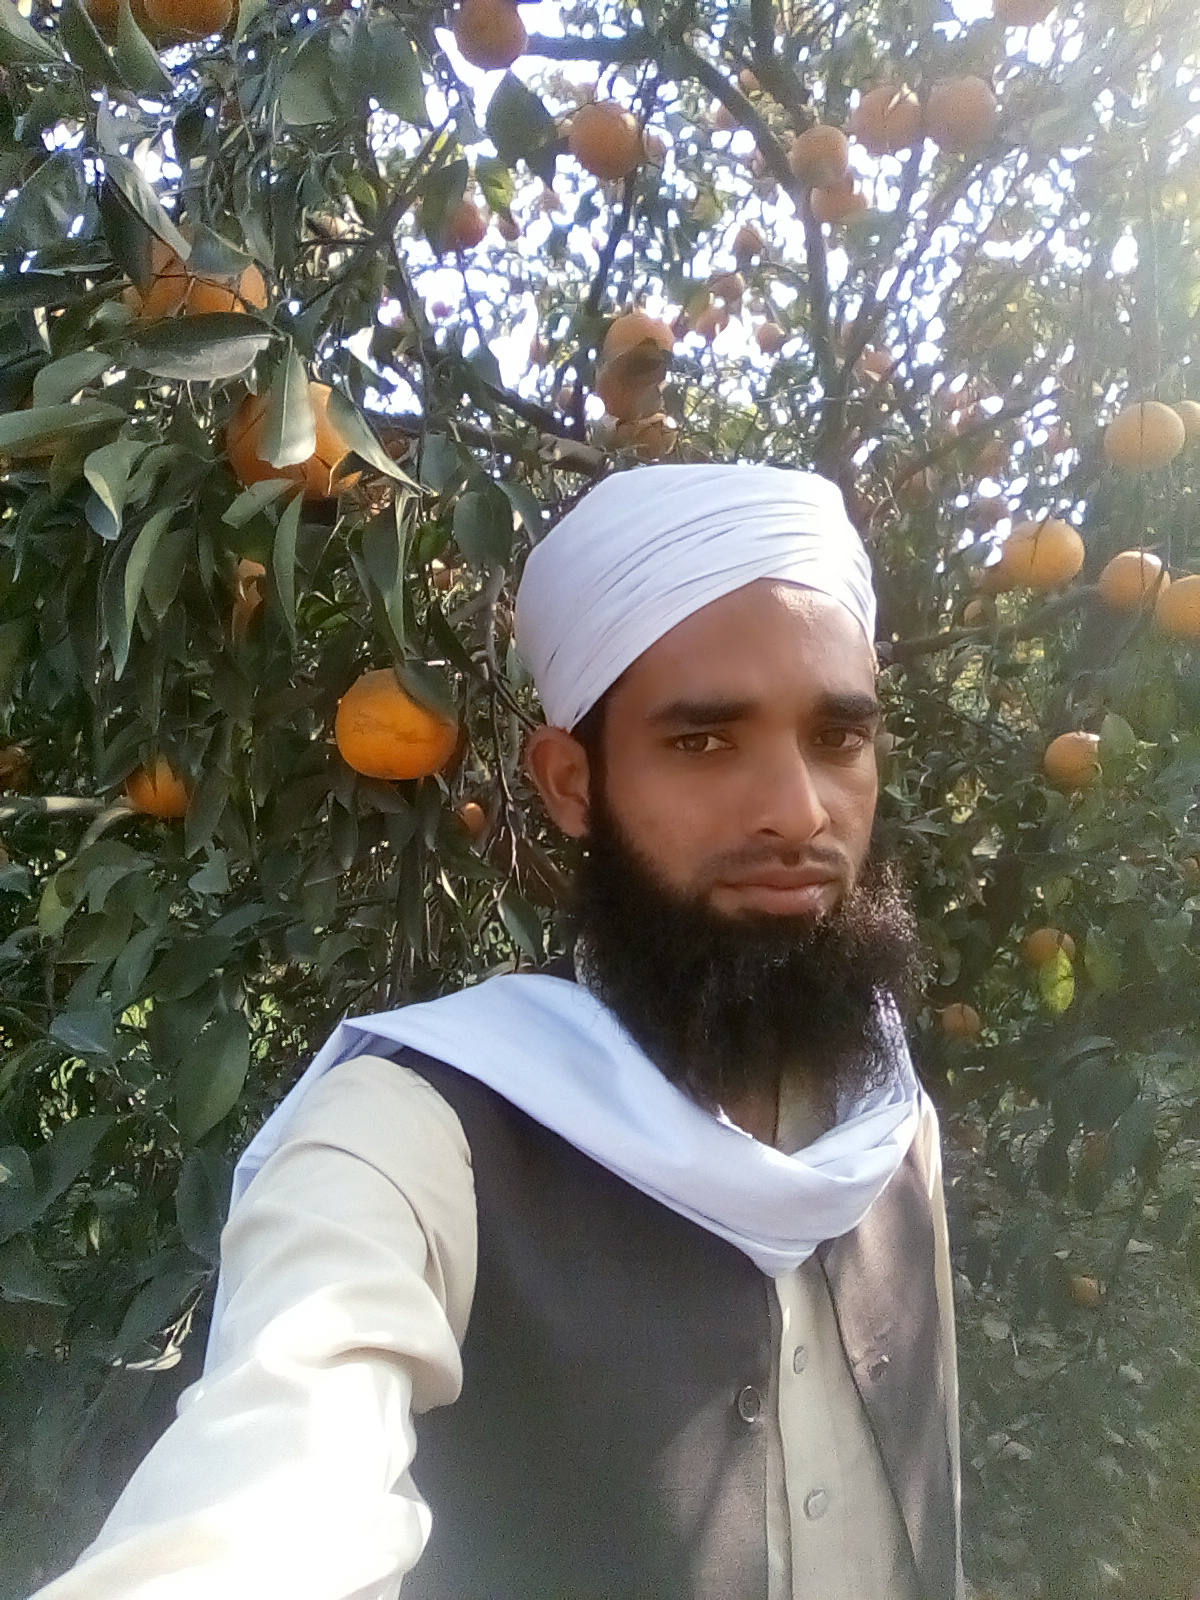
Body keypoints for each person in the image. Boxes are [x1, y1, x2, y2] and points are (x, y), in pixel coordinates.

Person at [32, 463, 962, 1600]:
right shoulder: (414, 1133)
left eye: (838, 737)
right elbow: (270, 1491)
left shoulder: (889, 1114)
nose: (800, 810)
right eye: (704, 742)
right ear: (571, 784)